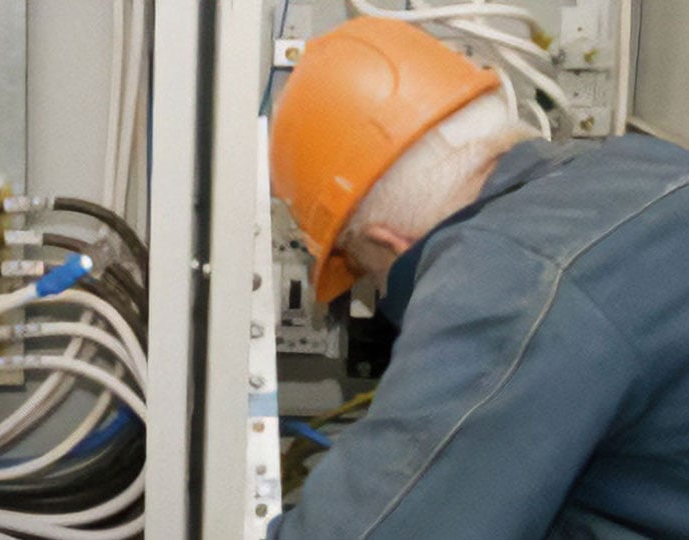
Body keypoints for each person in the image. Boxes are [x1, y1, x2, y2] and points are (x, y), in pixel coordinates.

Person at [268, 16, 689, 540]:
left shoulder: (509, 280)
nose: (376, 293)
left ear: (387, 239)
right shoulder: (646, 165)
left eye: (362, 268)